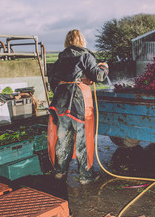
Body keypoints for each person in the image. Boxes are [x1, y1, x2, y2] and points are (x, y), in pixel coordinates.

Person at [47, 29, 109, 184]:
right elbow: (99, 76)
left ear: (67, 42)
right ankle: (85, 176)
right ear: (82, 41)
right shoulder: (86, 56)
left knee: (63, 139)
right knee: (83, 138)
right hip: (79, 103)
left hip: (60, 103)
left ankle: (60, 172)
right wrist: (104, 67)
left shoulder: (60, 59)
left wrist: (62, 90)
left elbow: (52, 82)